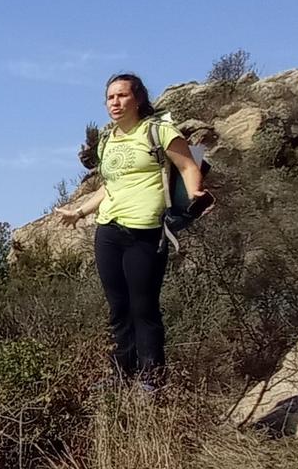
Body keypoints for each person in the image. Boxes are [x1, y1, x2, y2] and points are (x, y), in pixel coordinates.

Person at [57, 73, 210, 384]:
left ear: (137, 98)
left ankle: (151, 378)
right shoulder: (108, 140)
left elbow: (188, 167)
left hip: (146, 231)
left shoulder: (158, 131)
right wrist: (80, 211)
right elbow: (110, 186)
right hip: (109, 231)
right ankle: (120, 372)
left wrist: (195, 197)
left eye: (122, 95)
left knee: (144, 307)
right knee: (118, 307)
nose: (115, 102)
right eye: (110, 97)